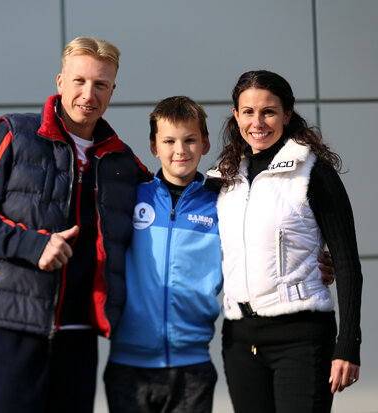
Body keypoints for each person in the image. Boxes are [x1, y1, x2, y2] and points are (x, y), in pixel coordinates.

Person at [0, 36, 151, 413]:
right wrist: (34, 245)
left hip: (79, 335)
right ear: (60, 82)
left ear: (112, 90)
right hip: (11, 325)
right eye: (79, 81)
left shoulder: (121, 161)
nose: (88, 94)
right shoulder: (15, 134)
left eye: (100, 84)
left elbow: (167, 201)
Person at [209, 70, 363, 412]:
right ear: (236, 115)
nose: (257, 122)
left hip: (302, 340)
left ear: (287, 114)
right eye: (248, 112)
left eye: (269, 111)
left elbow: (347, 262)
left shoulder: (313, 172)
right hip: (239, 342)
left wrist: (348, 344)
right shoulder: (223, 177)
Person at [103, 96, 222, 413]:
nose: (180, 150)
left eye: (190, 140)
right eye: (169, 141)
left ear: (205, 143)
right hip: (127, 364)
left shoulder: (222, 205)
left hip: (192, 365)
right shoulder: (131, 196)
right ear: (154, 147)